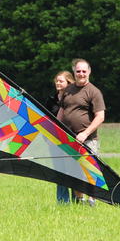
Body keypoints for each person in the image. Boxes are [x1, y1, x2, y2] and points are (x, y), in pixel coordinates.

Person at [59, 58, 105, 205]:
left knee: (90, 171)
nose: (81, 74)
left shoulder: (94, 92)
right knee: (74, 171)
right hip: (69, 138)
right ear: (74, 72)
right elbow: (62, 110)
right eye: (78, 71)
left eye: (84, 71)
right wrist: (56, 128)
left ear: (89, 72)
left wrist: (85, 133)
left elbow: (100, 116)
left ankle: (92, 200)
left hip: (88, 139)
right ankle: (80, 200)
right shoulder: (68, 90)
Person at [48, 71, 75, 204]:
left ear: (69, 83)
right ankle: (63, 201)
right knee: (60, 171)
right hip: (54, 140)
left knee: (74, 171)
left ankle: (77, 199)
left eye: (61, 81)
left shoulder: (74, 98)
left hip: (71, 139)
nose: (58, 83)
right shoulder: (51, 99)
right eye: (57, 81)